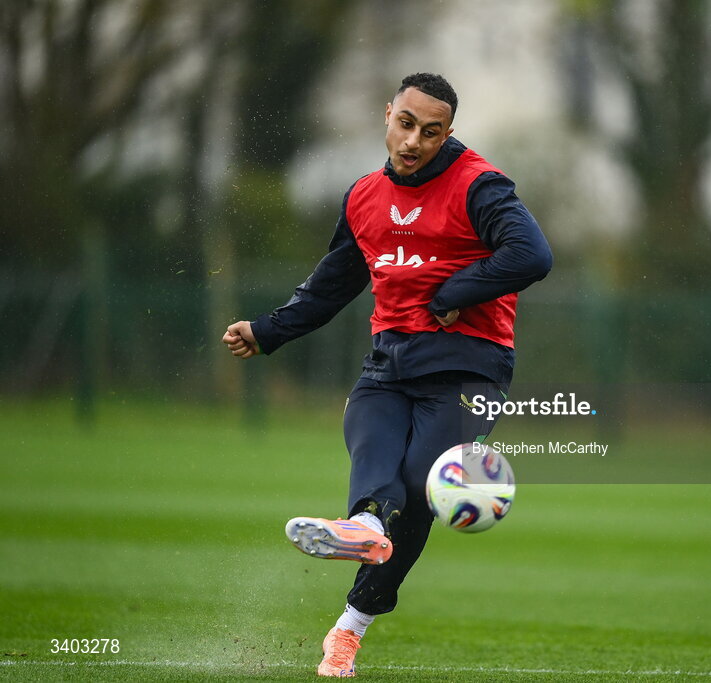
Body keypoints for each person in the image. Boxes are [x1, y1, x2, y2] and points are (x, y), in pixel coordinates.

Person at [221, 72, 552, 678]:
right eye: (405, 125)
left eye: (431, 132)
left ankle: (350, 627)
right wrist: (268, 331)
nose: (413, 142)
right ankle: (365, 525)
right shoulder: (365, 196)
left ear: (448, 132)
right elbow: (334, 283)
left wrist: (457, 290)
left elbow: (532, 254)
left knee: (423, 485)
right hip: (389, 364)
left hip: (469, 367)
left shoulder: (480, 186)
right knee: (374, 464)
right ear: (387, 115)